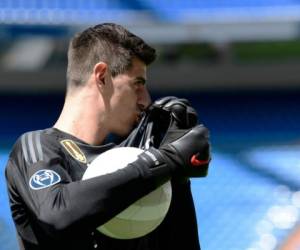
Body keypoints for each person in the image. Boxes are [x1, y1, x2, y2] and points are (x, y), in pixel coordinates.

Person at [5, 23, 211, 250]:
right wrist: (166, 160)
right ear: (102, 76)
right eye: (138, 84)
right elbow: (57, 214)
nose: (146, 101)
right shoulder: (36, 146)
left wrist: (178, 180)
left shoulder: (131, 166)